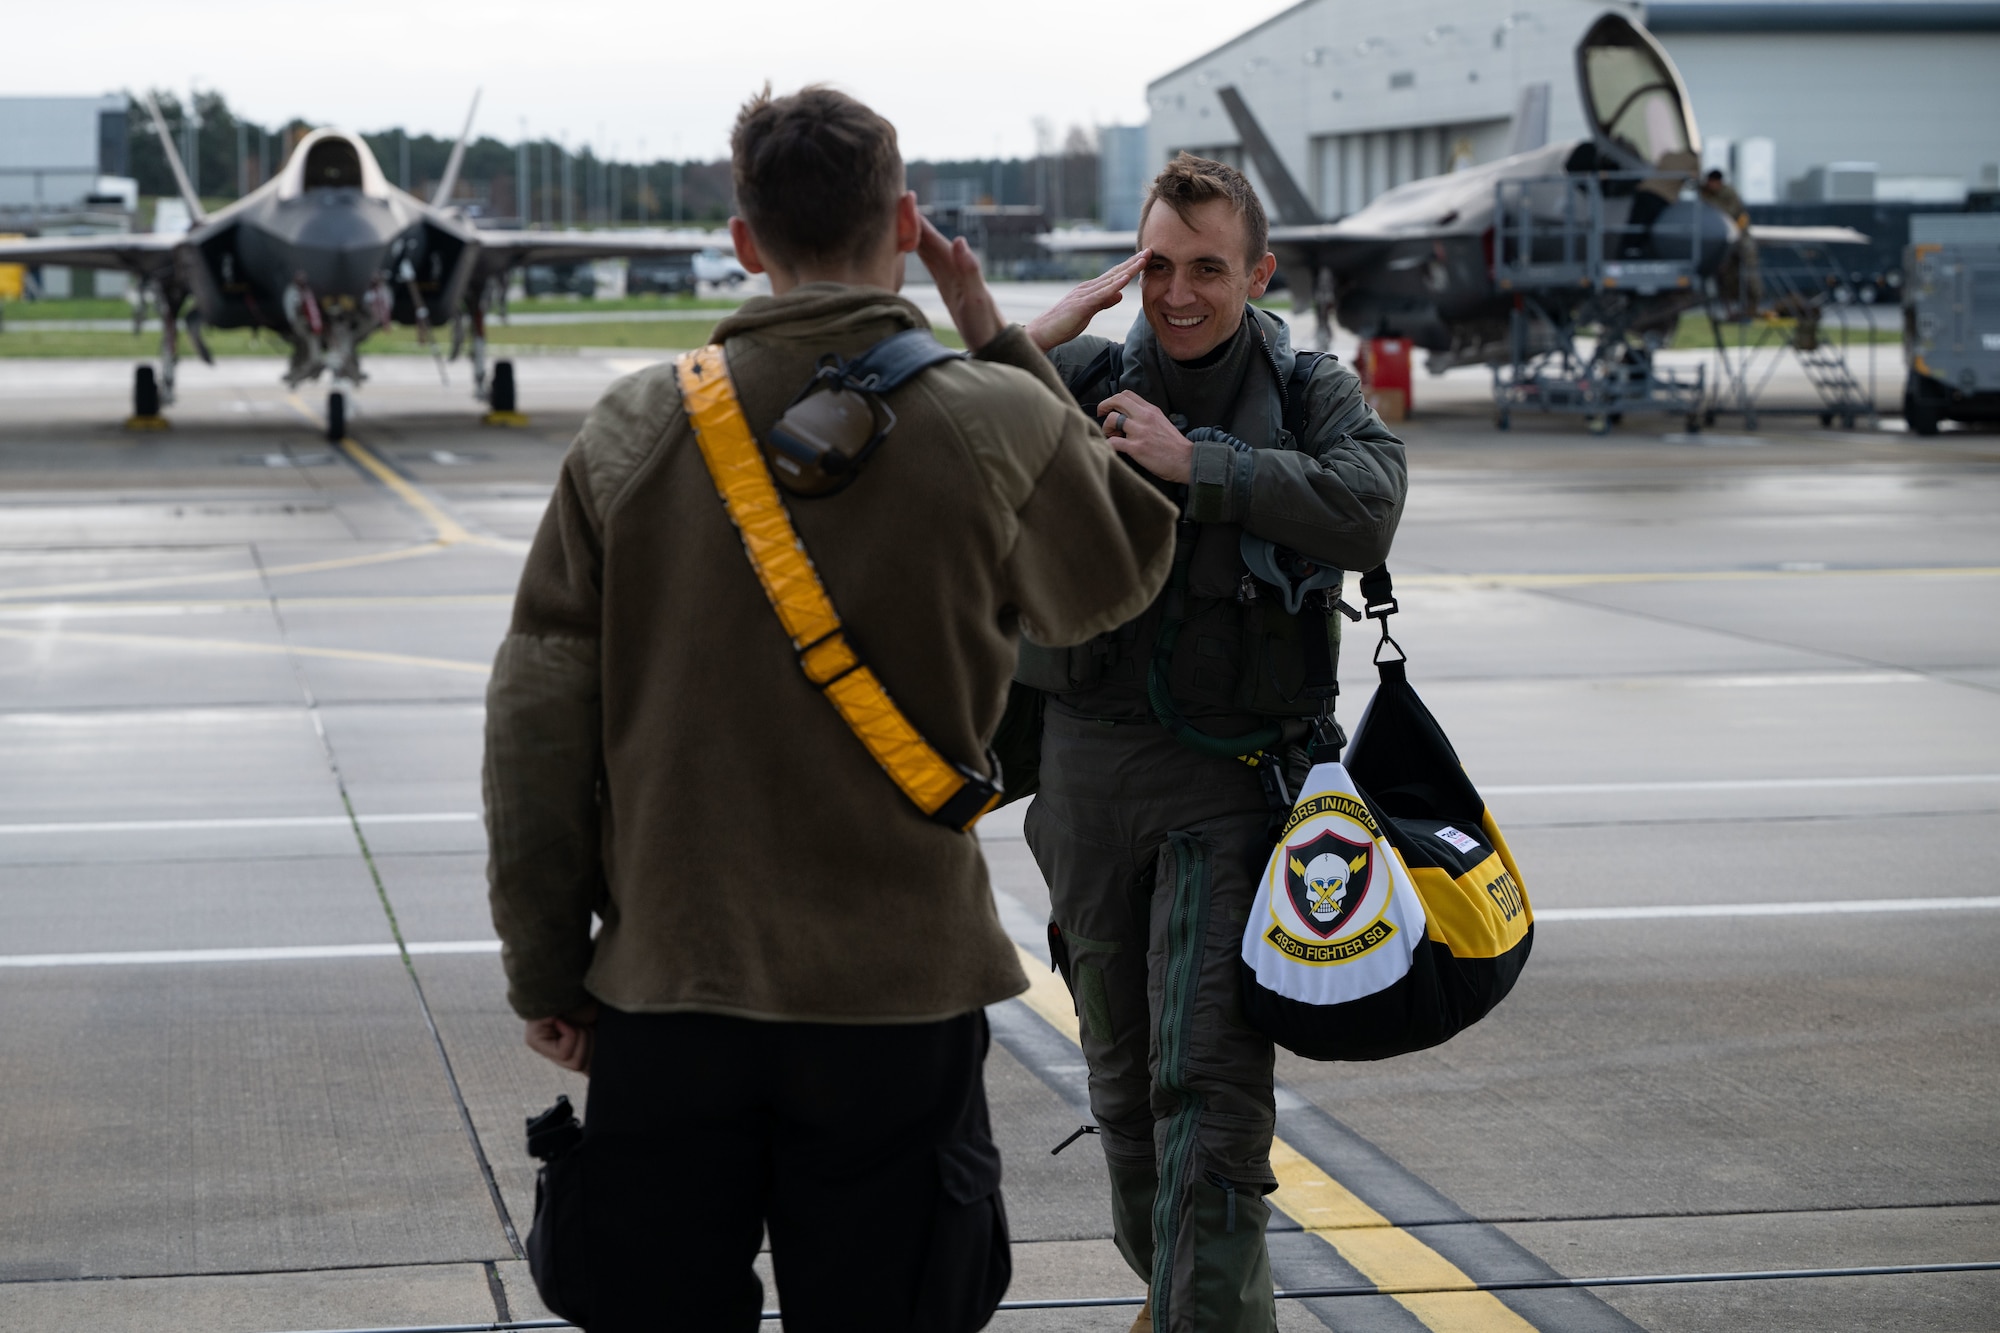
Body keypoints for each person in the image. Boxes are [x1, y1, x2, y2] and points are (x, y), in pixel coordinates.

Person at [483, 85, 1178, 1331]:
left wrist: (549, 963)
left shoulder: (634, 429)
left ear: (745, 238)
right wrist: (1008, 349)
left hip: (669, 992)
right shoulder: (993, 417)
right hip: (895, 1006)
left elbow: (535, 728)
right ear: (904, 224)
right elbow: (1117, 574)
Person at [1014, 154, 1408, 1333]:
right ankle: (1176, 1293)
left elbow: (1370, 499)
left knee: (1212, 1092)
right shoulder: (1076, 373)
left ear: (1258, 272)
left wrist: (1202, 466)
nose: (1178, 295)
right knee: (1124, 1089)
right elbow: (921, 428)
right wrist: (1049, 327)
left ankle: (1207, 1315)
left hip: (1230, 788)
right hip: (1083, 786)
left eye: (1207, 269)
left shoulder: (1303, 390)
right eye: (1156, 268)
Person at [1702, 168, 1762, 317]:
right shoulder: (1704, 194)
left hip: (1740, 237)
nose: (1711, 185)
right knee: (1726, 275)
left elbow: (1731, 214)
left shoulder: (1729, 194)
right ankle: (1732, 309)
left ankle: (1753, 306)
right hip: (1721, 240)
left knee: (1749, 273)